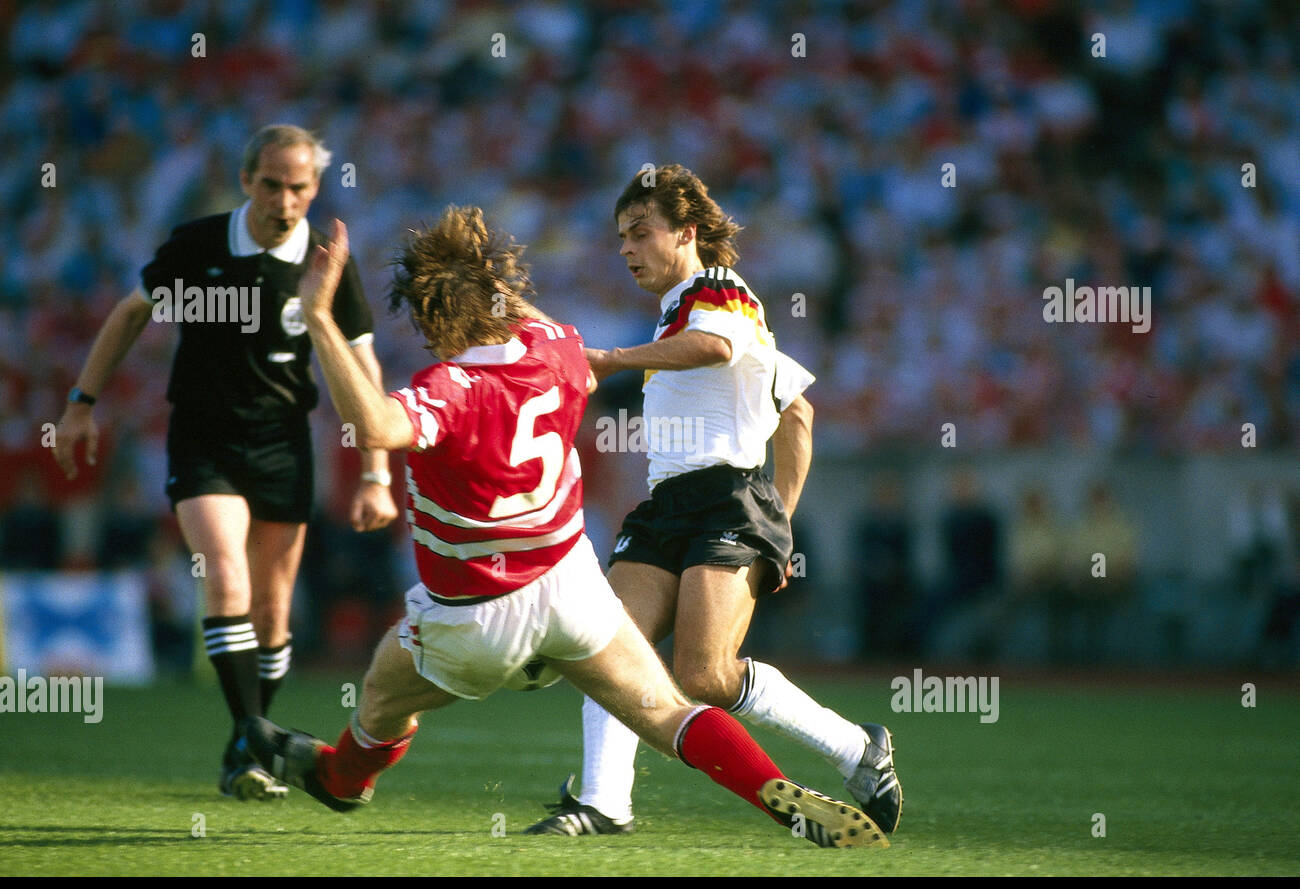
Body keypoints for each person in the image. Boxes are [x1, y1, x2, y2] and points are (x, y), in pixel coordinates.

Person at [241, 208, 885, 849]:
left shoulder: (449, 387)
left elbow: (377, 427)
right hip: (569, 589)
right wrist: (486, 269)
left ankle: (341, 777)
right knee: (666, 710)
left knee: (384, 691)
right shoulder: (561, 352)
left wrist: (320, 319)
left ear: (434, 321)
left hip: (477, 613)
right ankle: (770, 792)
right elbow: (531, 318)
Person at [525, 164, 902, 837]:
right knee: (607, 647)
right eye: (621, 237)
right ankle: (604, 803)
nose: (626, 248)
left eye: (641, 232)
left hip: (728, 500)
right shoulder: (696, 307)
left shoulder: (719, 290)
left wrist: (610, 358)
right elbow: (800, 416)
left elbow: (714, 346)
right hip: (670, 503)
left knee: (703, 673)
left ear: (686, 233)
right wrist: (783, 519)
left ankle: (855, 746)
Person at [52, 125, 398, 800]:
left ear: (314, 188)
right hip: (205, 439)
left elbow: (362, 364)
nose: (284, 198)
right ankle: (252, 737)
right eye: (271, 183)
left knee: (273, 613)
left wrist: (378, 472)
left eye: (298, 186)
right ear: (246, 182)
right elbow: (129, 315)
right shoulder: (199, 244)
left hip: (283, 442)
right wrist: (80, 403)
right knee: (227, 574)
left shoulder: (326, 257)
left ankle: (247, 747)